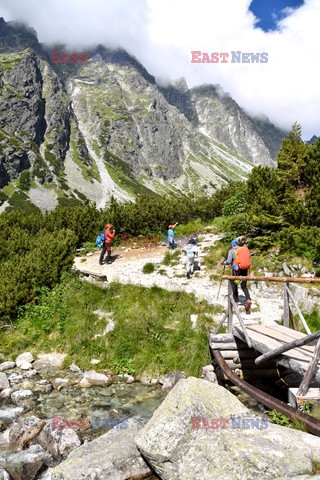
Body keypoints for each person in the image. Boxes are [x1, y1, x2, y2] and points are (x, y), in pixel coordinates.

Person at [224, 237, 252, 313]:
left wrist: (225, 262)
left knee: (234, 283)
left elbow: (229, 261)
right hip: (245, 269)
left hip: (236, 270)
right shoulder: (243, 249)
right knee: (244, 285)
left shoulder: (232, 251)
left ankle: (236, 300)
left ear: (233, 245)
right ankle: (248, 299)